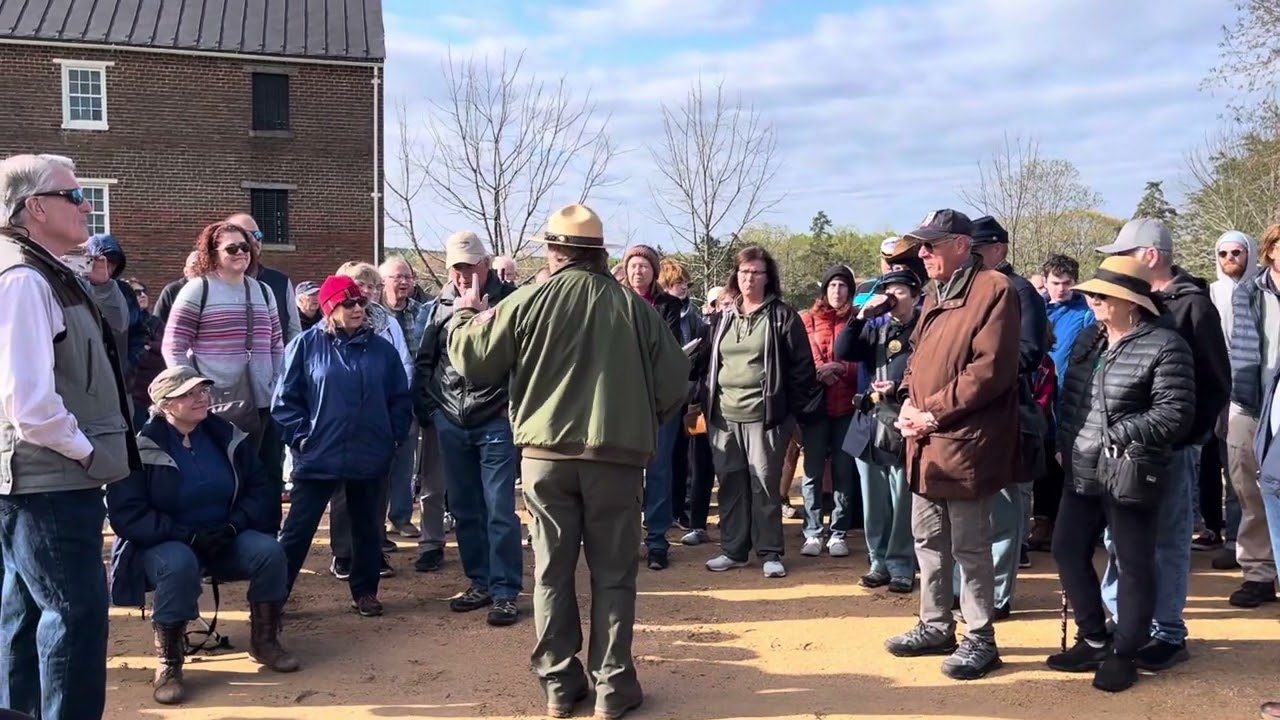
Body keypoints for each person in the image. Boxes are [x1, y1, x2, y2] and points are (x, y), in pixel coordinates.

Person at [447, 203, 687, 720]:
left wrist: (466, 312)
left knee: (552, 573)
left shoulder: (528, 301)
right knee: (615, 574)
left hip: (544, 458)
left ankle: (558, 685)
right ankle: (613, 687)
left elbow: (473, 360)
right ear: (599, 253)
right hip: (618, 458)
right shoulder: (633, 306)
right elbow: (674, 384)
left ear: (554, 250)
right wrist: (639, 419)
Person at [0, 153, 139, 720]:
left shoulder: (43, 269)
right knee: (74, 616)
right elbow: (29, 404)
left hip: (43, 477)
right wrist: (88, 453)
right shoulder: (24, 280)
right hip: (50, 478)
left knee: (27, 612)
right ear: (34, 207)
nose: (86, 206)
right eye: (73, 195)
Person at [106, 366, 299, 705]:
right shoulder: (140, 449)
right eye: (189, 394)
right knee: (178, 564)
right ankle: (169, 663)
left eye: (203, 391)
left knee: (269, 552)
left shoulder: (227, 436)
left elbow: (260, 487)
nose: (201, 398)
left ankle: (265, 640)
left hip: (224, 535)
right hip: (167, 542)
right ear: (166, 404)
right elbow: (128, 514)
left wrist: (234, 526)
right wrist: (185, 534)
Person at [882, 209, 1019, 681]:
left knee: (970, 546)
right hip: (924, 442)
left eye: (930, 246)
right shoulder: (937, 293)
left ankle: (980, 637)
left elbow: (990, 370)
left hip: (963, 442)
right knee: (927, 539)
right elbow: (917, 361)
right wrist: (904, 402)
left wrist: (932, 412)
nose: (922, 254)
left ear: (961, 244)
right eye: (921, 246)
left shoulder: (994, 290)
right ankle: (935, 624)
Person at [1047, 256, 1194, 692]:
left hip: (1129, 467)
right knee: (1066, 549)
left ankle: (1125, 651)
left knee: (1132, 562)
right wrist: (1063, 442)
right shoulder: (1090, 338)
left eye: (1101, 294)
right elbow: (1070, 397)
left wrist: (1122, 433)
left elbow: (1176, 413)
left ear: (1130, 301)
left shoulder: (1166, 345)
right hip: (1081, 464)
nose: (1091, 299)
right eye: (1091, 292)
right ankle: (1094, 637)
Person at [1095, 218, 1230, 670]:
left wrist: (1186, 440)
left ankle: (1169, 632)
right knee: (1120, 539)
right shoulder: (1134, 304)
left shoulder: (1194, 307)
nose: (1114, 263)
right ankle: (1126, 618)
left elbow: (1216, 382)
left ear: (1149, 255)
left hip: (1171, 450)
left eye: (1123, 253)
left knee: (1168, 542)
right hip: (1123, 451)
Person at [273, 276, 412, 618]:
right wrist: (302, 437)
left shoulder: (383, 351)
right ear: (330, 308)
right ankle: (273, 595)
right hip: (319, 454)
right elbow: (285, 401)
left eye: (361, 304)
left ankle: (364, 591)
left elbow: (399, 398)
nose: (358, 310)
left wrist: (391, 437)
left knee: (367, 528)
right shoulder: (305, 346)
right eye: (349, 304)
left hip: (370, 454)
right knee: (297, 531)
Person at [412, 231, 522, 626]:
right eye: (455, 267)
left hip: (494, 419)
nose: (462, 274)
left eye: (469, 265)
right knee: (464, 509)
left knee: (499, 509)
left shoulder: (510, 300)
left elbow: (519, 361)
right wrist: (432, 410)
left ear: (486, 263)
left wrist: (510, 407)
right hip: (451, 420)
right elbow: (426, 361)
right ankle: (481, 581)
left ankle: (506, 591)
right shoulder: (439, 305)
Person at [694, 246, 823, 579]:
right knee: (731, 483)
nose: (749, 278)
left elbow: (802, 370)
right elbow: (708, 362)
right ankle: (734, 550)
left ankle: (769, 551)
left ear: (768, 277)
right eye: (743, 272)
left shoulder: (782, 315)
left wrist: (787, 413)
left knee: (764, 483)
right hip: (723, 415)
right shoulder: (722, 317)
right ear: (735, 276)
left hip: (766, 418)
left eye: (756, 272)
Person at [966, 215, 1048, 618]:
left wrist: (983, 376)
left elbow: (1031, 351)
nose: (971, 258)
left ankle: (998, 595)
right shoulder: (969, 290)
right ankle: (976, 590)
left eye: (977, 251)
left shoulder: (1020, 290)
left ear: (999, 250)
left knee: (1004, 505)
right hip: (971, 411)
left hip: (1008, 408)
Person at [161, 222, 285, 450]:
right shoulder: (198, 289)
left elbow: (276, 343)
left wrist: (275, 381)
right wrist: (191, 391)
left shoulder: (264, 292)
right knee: (227, 475)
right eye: (231, 248)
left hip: (264, 403)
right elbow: (173, 345)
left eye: (245, 247)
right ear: (212, 253)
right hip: (216, 405)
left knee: (265, 476)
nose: (240, 252)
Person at [836, 268, 922, 592]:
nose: (892, 297)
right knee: (873, 499)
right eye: (888, 290)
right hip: (869, 421)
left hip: (902, 421)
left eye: (900, 291)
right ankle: (878, 561)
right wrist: (861, 315)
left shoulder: (923, 331)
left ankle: (901, 565)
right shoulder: (876, 328)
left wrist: (898, 386)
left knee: (902, 500)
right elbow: (843, 351)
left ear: (915, 296)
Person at [621, 244, 686, 570]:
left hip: (659, 401)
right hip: (623, 403)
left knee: (659, 472)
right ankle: (626, 539)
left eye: (644, 266)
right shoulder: (613, 300)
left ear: (654, 271)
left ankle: (657, 540)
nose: (638, 271)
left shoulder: (668, 305)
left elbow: (667, 347)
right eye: (633, 266)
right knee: (626, 475)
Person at [1227, 225, 1280, 609]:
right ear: (1270, 251)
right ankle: (1259, 571)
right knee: (1247, 486)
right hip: (1251, 401)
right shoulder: (1249, 292)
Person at [798, 265, 861, 558]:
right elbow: (800, 359)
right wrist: (819, 371)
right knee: (811, 472)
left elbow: (863, 362)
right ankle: (812, 532)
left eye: (843, 286)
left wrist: (841, 369)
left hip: (847, 407)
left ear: (850, 290)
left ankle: (838, 532)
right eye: (833, 285)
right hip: (815, 407)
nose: (837, 291)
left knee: (843, 472)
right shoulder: (807, 320)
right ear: (824, 290)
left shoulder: (859, 321)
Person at [1033, 254, 1095, 550]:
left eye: (1067, 283)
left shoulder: (1085, 311)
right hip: (1041, 392)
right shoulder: (1036, 309)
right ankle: (1042, 520)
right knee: (1042, 455)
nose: (1061, 289)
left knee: (1067, 458)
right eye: (1056, 282)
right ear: (1045, 281)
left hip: (1072, 394)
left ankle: (1067, 524)